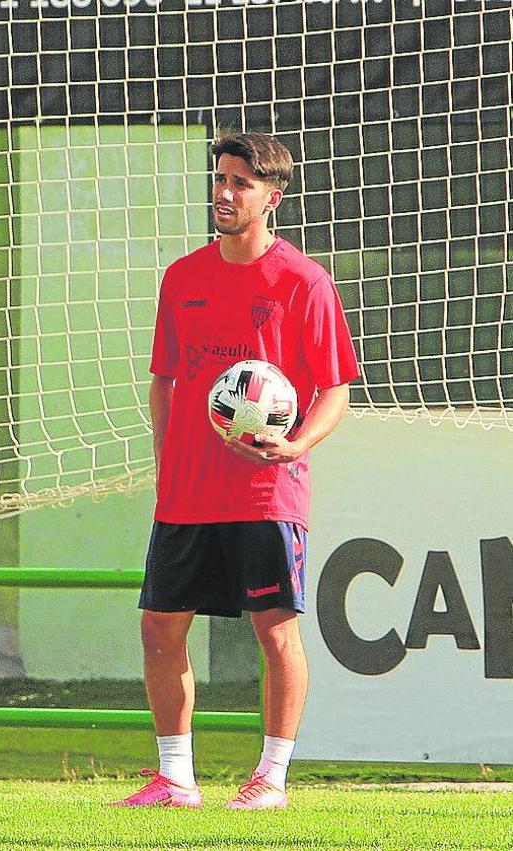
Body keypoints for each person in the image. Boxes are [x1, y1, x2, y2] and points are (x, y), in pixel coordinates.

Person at [113, 132, 359, 810]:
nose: (223, 193)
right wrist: (167, 465)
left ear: (270, 198)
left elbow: (335, 388)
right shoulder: (182, 276)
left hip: (264, 490)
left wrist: (295, 443)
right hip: (187, 492)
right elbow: (163, 380)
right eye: (220, 179)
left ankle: (270, 779)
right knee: (159, 624)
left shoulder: (302, 281)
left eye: (240, 184)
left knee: (274, 630)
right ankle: (174, 777)